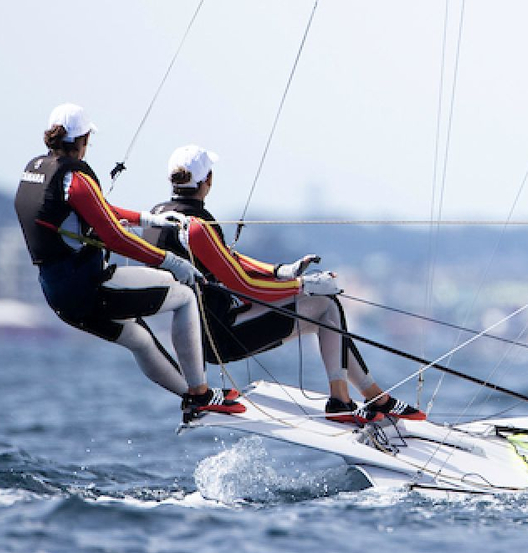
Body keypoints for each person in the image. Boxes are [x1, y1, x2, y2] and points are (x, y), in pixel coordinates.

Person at [143, 144, 424, 425]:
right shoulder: (198, 224)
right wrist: (303, 286)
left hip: (191, 338)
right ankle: (344, 401)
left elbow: (226, 260)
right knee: (325, 305)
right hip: (221, 336)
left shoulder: (157, 216)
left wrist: (281, 271)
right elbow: (242, 282)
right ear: (209, 180)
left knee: (322, 312)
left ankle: (375, 398)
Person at [14, 104, 244, 422]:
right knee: (184, 296)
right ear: (83, 139)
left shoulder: (37, 169)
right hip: (88, 288)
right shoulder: (74, 179)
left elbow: (100, 210)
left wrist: (150, 219)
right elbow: (114, 236)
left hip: (57, 295)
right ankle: (201, 393)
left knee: (139, 339)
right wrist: (171, 261)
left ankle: (193, 401)